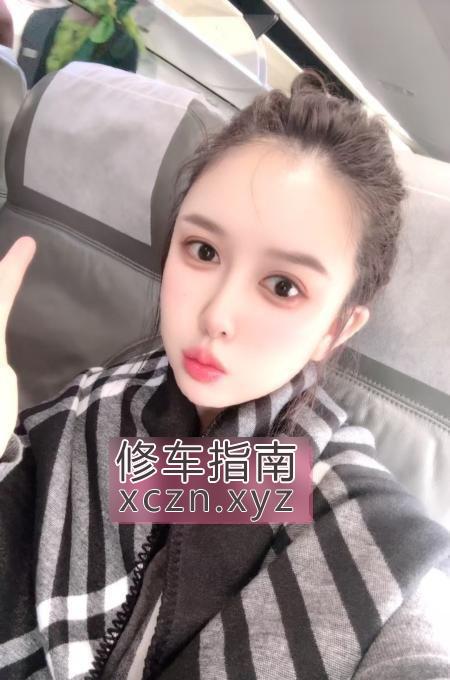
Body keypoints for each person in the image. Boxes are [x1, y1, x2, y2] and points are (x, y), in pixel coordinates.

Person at [0, 70, 449, 680]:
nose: (217, 315)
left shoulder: (367, 533)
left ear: (337, 328)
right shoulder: (100, 405)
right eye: (203, 251)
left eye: (283, 286)